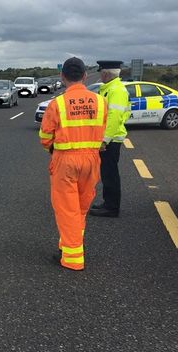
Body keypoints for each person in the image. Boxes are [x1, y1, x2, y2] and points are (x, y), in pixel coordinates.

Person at [39, 57, 108, 271]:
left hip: (66, 160)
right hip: (91, 159)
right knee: (80, 207)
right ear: (85, 76)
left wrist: (52, 149)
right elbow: (102, 130)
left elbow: (45, 135)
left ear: (62, 76)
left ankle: (72, 258)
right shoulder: (100, 101)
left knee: (67, 210)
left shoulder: (57, 103)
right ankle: (70, 244)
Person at [89, 60, 131, 217]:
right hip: (110, 139)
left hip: (111, 141)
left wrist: (104, 140)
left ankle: (112, 208)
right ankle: (108, 203)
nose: (100, 75)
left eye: (101, 72)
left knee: (110, 174)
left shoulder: (116, 90)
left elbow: (114, 117)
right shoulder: (109, 89)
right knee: (107, 173)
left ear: (106, 73)